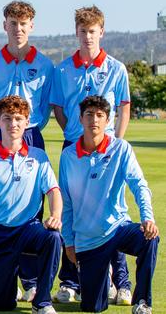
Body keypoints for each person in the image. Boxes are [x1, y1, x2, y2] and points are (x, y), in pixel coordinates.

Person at [50, 6, 132, 304]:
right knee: (71, 211)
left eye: (93, 31)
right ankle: (71, 281)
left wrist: (117, 141)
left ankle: (120, 281)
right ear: (76, 32)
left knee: (112, 214)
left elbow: (123, 107)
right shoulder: (63, 69)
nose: (87, 36)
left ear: (101, 32)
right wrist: (75, 133)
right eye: (83, 31)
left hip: (108, 150)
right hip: (74, 147)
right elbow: (60, 109)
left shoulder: (116, 68)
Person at [0, 0, 55, 302]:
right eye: (13, 23)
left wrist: (28, 128)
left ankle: (32, 279)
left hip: (31, 134)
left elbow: (46, 106)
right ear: (4, 26)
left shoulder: (45, 65)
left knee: (33, 209)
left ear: (31, 26)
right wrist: (0, 127)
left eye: (24, 23)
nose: (18, 28)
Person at [60, 96, 159, 314]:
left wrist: (147, 217)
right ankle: (105, 278)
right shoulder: (68, 156)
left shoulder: (121, 148)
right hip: (89, 239)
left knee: (149, 238)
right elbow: (66, 203)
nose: (93, 120)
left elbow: (139, 185)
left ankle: (142, 301)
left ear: (108, 120)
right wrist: (68, 242)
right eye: (89, 115)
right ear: (80, 119)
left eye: (100, 115)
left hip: (118, 228)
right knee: (93, 307)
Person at [0, 95, 62, 314]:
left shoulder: (39, 157)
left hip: (28, 229)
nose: (12, 124)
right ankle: (3, 287)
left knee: (52, 237)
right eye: (7, 118)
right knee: (2, 305)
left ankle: (42, 302)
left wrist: (56, 215)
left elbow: (53, 191)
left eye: (18, 119)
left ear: (26, 122)